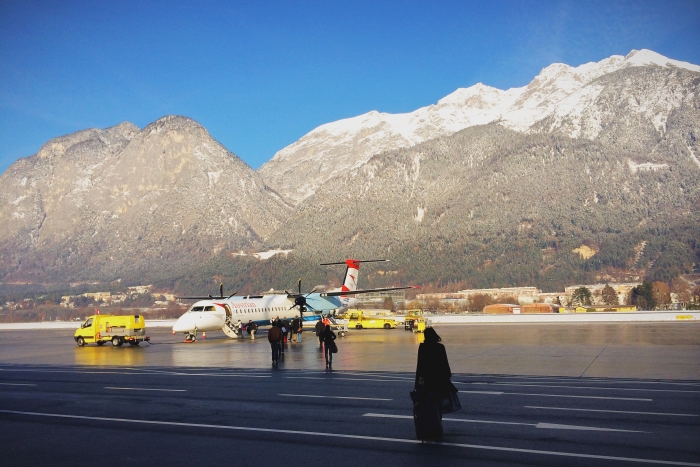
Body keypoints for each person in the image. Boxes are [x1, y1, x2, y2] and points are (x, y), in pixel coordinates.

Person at [414, 328, 457, 405]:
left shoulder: (423, 347)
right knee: (438, 402)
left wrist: (418, 380)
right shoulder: (440, 347)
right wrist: (447, 376)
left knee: (428, 402)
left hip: (427, 378)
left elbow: (420, 365)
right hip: (439, 378)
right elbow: (444, 363)